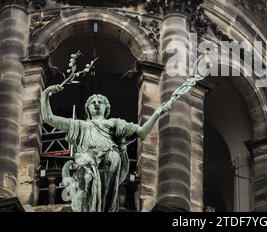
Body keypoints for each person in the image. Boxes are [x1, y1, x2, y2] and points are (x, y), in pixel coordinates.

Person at [41, 85, 172, 212]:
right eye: (93, 102)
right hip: (87, 160)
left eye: (100, 102)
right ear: (88, 109)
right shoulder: (79, 125)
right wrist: (46, 94)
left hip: (109, 161)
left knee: (107, 192)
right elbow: (49, 118)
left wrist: (156, 113)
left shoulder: (114, 124)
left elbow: (142, 131)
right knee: (84, 179)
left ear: (106, 107)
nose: (96, 104)